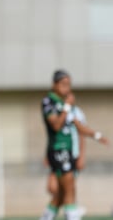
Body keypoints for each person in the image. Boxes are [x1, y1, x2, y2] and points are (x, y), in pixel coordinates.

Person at [40, 70, 109, 220]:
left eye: (69, 85)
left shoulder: (67, 105)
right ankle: (73, 215)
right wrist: (66, 107)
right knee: (69, 189)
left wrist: (97, 136)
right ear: (54, 84)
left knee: (62, 194)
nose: (67, 88)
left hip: (69, 152)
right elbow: (56, 126)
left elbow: (79, 126)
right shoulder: (49, 102)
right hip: (59, 150)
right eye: (63, 84)